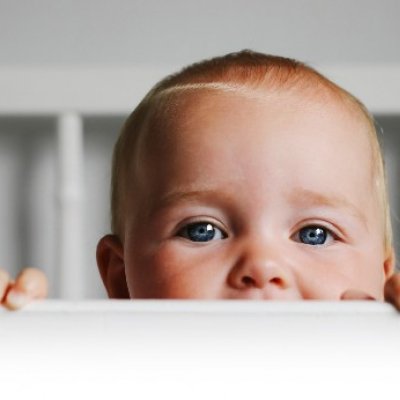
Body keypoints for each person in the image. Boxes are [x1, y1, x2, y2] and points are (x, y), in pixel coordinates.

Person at [1, 50, 400, 308]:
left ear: (383, 277)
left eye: (315, 233)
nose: (261, 265)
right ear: (121, 279)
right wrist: (16, 335)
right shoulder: (101, 373)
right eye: (202, 230)